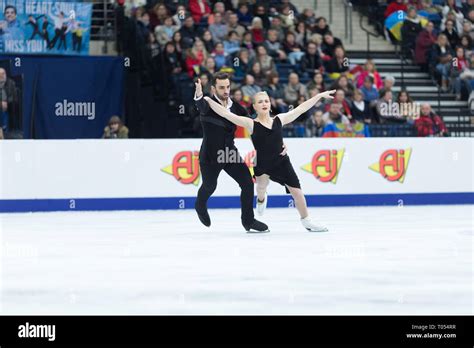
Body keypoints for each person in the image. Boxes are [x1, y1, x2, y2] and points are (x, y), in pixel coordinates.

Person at [203, 88, 336, 232]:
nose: (264, 103)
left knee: (297, 192)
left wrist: (319, 96)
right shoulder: (251, 124)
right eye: (260, 102)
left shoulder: (280, 119)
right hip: (262, 164)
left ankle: (307, 221)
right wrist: (209, 101)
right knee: (261, 188)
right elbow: (225, 114)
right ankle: (261, 199)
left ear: (270, 104)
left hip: (282, 163)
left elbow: (301, 109)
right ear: (254, 106)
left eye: (266, 101)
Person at [194, 73, 273, 232]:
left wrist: (270, 142)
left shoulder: (236, 107)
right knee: (210, 186)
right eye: (221, 87)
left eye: (227, 87)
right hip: (210, 155)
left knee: (247, 184)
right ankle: (200, 205)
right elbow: (200, 105)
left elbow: (253, 126)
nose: (225, 90)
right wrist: (198, 95)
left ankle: (248, 221)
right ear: (213, 88)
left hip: (229, 153)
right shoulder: (208, 104)